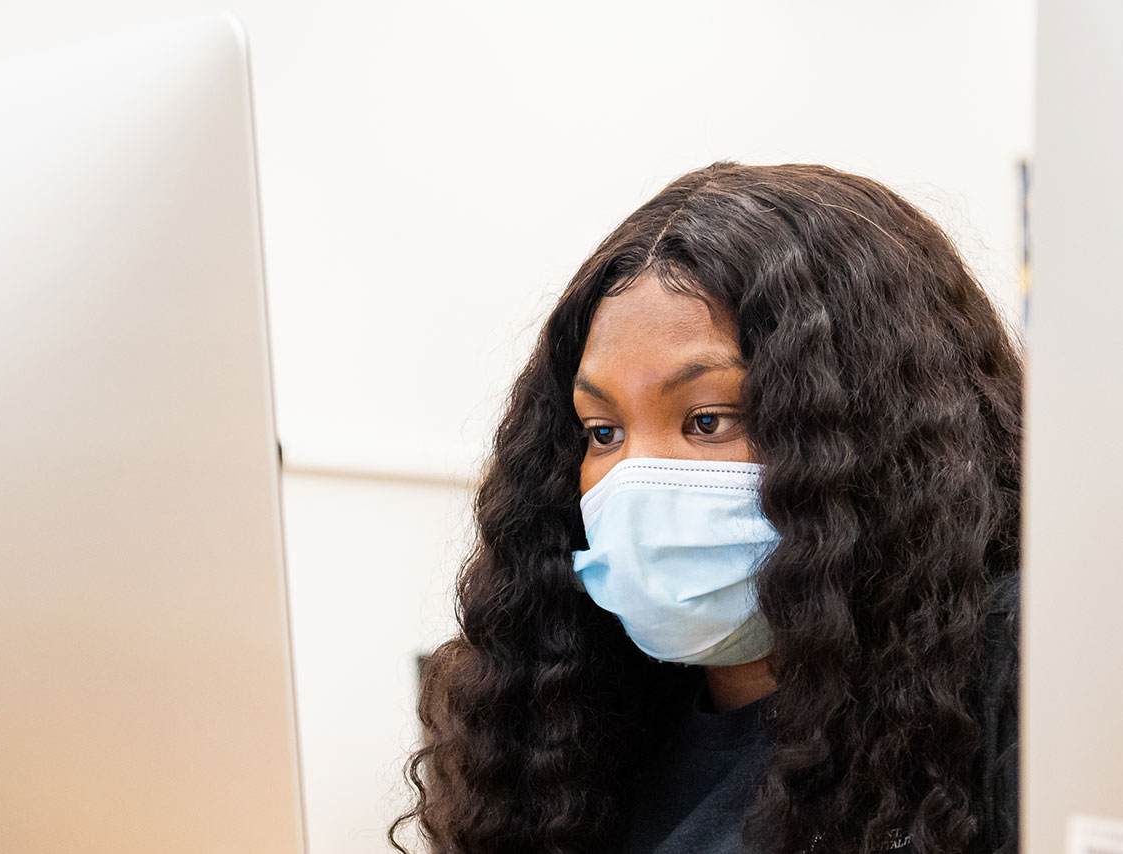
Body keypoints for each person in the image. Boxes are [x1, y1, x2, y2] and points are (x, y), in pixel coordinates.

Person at [396, 162, 1023, 854]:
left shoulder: (1015, 682)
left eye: (708, 421)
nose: (636, 480)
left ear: (879, 431)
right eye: (603, 433)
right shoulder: (567, 728)